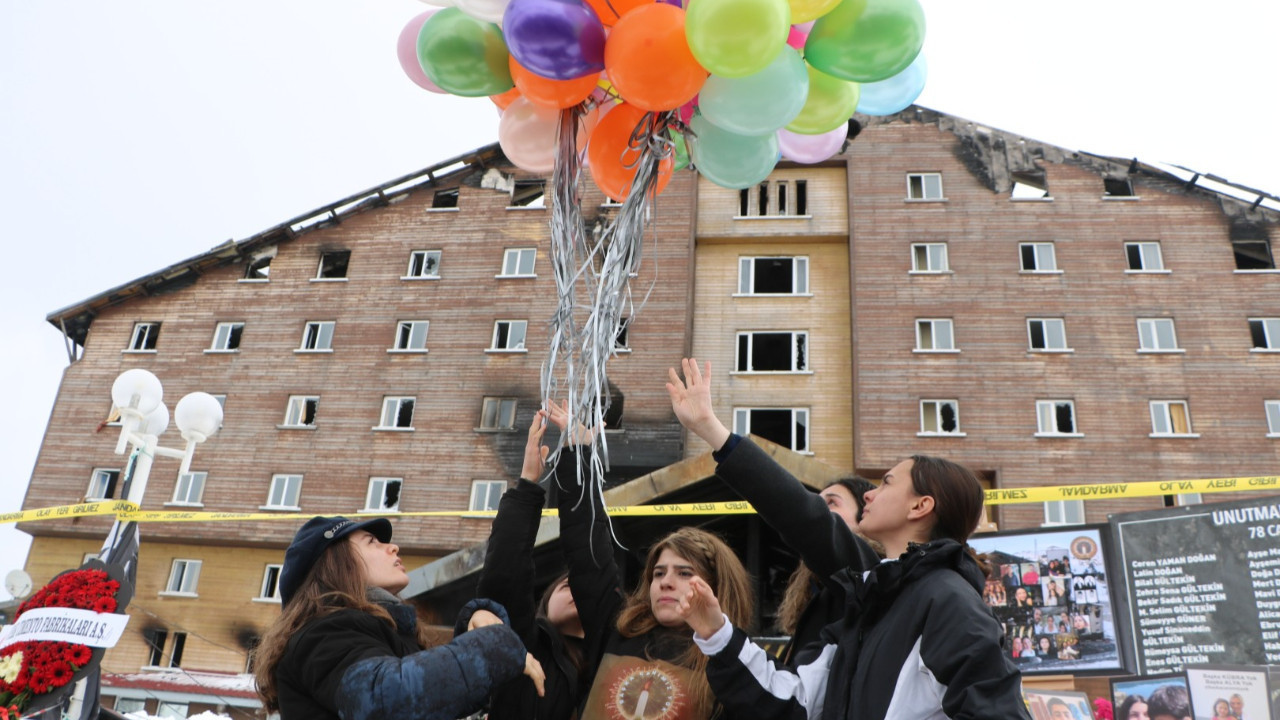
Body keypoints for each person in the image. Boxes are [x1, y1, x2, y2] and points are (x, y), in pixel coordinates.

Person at [666, 358, 1031, 720]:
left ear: (921, 506)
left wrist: (713, 431)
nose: (871, 494)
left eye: (886, 483)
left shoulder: (946, 598)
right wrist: (716, 633)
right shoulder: (868, 601)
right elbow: (794, 701)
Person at [547, 401, 754, 720]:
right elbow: (588, 552)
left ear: (716, 586)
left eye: (685, 572)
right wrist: (579, 456)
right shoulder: (616, 630)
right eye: (658, 574)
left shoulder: (733, 665)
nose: (666, 582)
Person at [254, 515, 541, 720]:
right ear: (335, 565)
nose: (393, 547)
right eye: (371, 542)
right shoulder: (322, 634)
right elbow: (384, 700)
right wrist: (489, 649)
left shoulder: (385, 632)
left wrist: (472, 628)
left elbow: (423, 688)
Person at [468, 410, 584, 720]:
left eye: (581, 584)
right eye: (564, 585)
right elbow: (504, 575)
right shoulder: (523, 643)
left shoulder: (611, 658)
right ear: (543, 604)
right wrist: (528, 485)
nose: (575, 588)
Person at [774, 476, 880, 665]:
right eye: (817, 502)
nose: (818, 510)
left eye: (831, 502)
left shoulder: (866, 573)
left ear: (864, 517)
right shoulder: (817, 595)